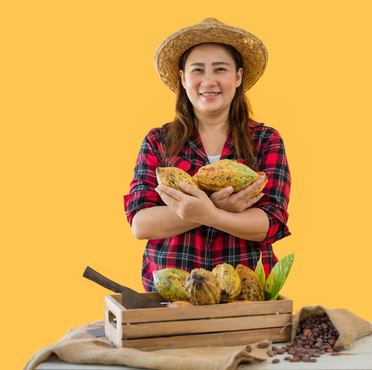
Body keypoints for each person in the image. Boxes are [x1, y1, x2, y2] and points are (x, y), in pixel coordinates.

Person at [123, 18, 291, 292]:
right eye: (197, 70)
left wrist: (207, 212)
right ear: (183, 78)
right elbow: (141, 224)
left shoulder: (266, 140)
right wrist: (219, 206)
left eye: (220, 69)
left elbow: (269, 223)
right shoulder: (158, 141)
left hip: (246, 296)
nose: (208, 81)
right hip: (170, 295)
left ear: (238, 77)